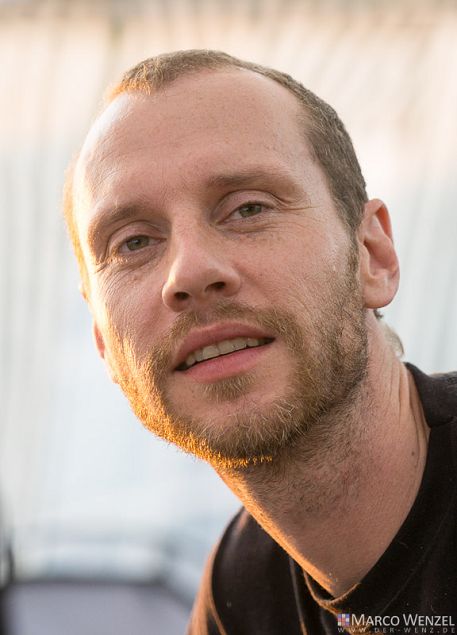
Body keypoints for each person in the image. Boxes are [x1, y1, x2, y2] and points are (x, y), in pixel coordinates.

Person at [63, 50, 457, 634]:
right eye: (134, 243)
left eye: (248, 208)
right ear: (103, 339)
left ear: (372, 256)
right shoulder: (240, 588)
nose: (189, 271)